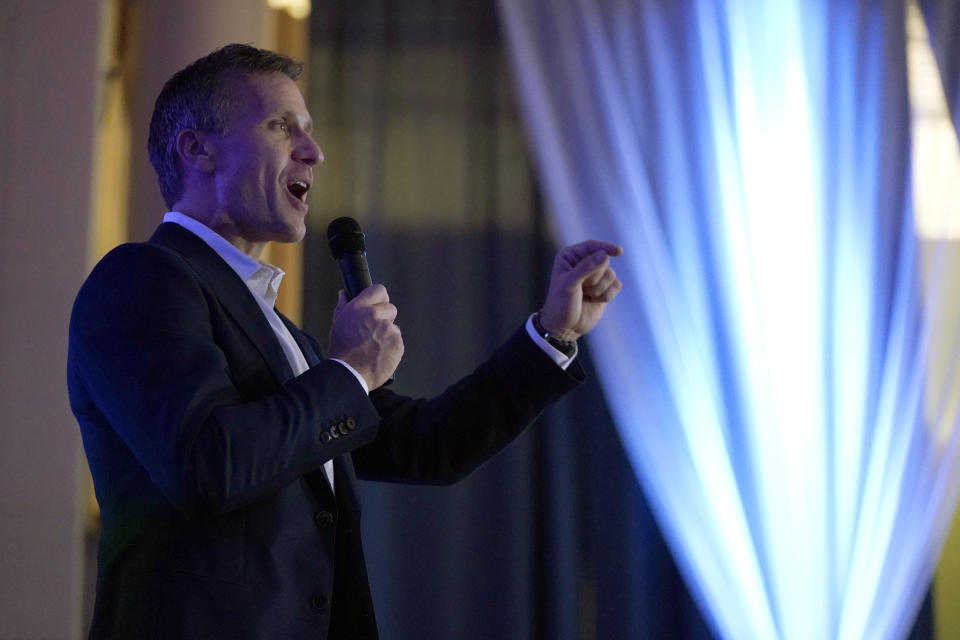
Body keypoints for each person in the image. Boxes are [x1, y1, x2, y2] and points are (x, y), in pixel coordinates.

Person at [68, 43, 622, 640]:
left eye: (310, 130)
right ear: (197, 149)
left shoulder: (288, 338)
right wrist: (352, 371)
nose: (314, 151)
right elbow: (208, 466)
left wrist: (553, 333)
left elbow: (427, 445)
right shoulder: (142, 279)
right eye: (282, 126)